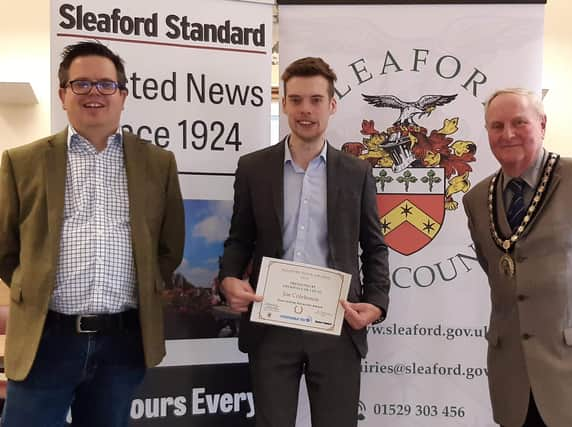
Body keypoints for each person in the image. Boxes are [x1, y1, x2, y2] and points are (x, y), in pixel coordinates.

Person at [0, 41, 185, 426]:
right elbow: (5, 248)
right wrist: (30, 288)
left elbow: (169, 247)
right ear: (63, 93)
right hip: (45, 339)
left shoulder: (158, 163)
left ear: (123, 95)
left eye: (105, 85)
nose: (94, 94)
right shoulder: (21, 162)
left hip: (122, 343)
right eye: (81, 84)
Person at [218, 57, 390, 427]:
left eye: (315, 100)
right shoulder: (253, 168)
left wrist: (376, 301)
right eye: (296, 100)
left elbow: (374, 246)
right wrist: (229, 277)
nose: (305, 110)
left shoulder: (357, 172)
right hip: (271, 325)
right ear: (283, 104)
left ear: (332, 105)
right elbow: (239, 239)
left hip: (337, 324)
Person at [463, 88, 572, 427]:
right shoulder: (476, 199)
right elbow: (498, 277)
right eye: (496, 126)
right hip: (514, 381)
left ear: (542, 125)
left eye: (519, 123)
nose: (508, 134)